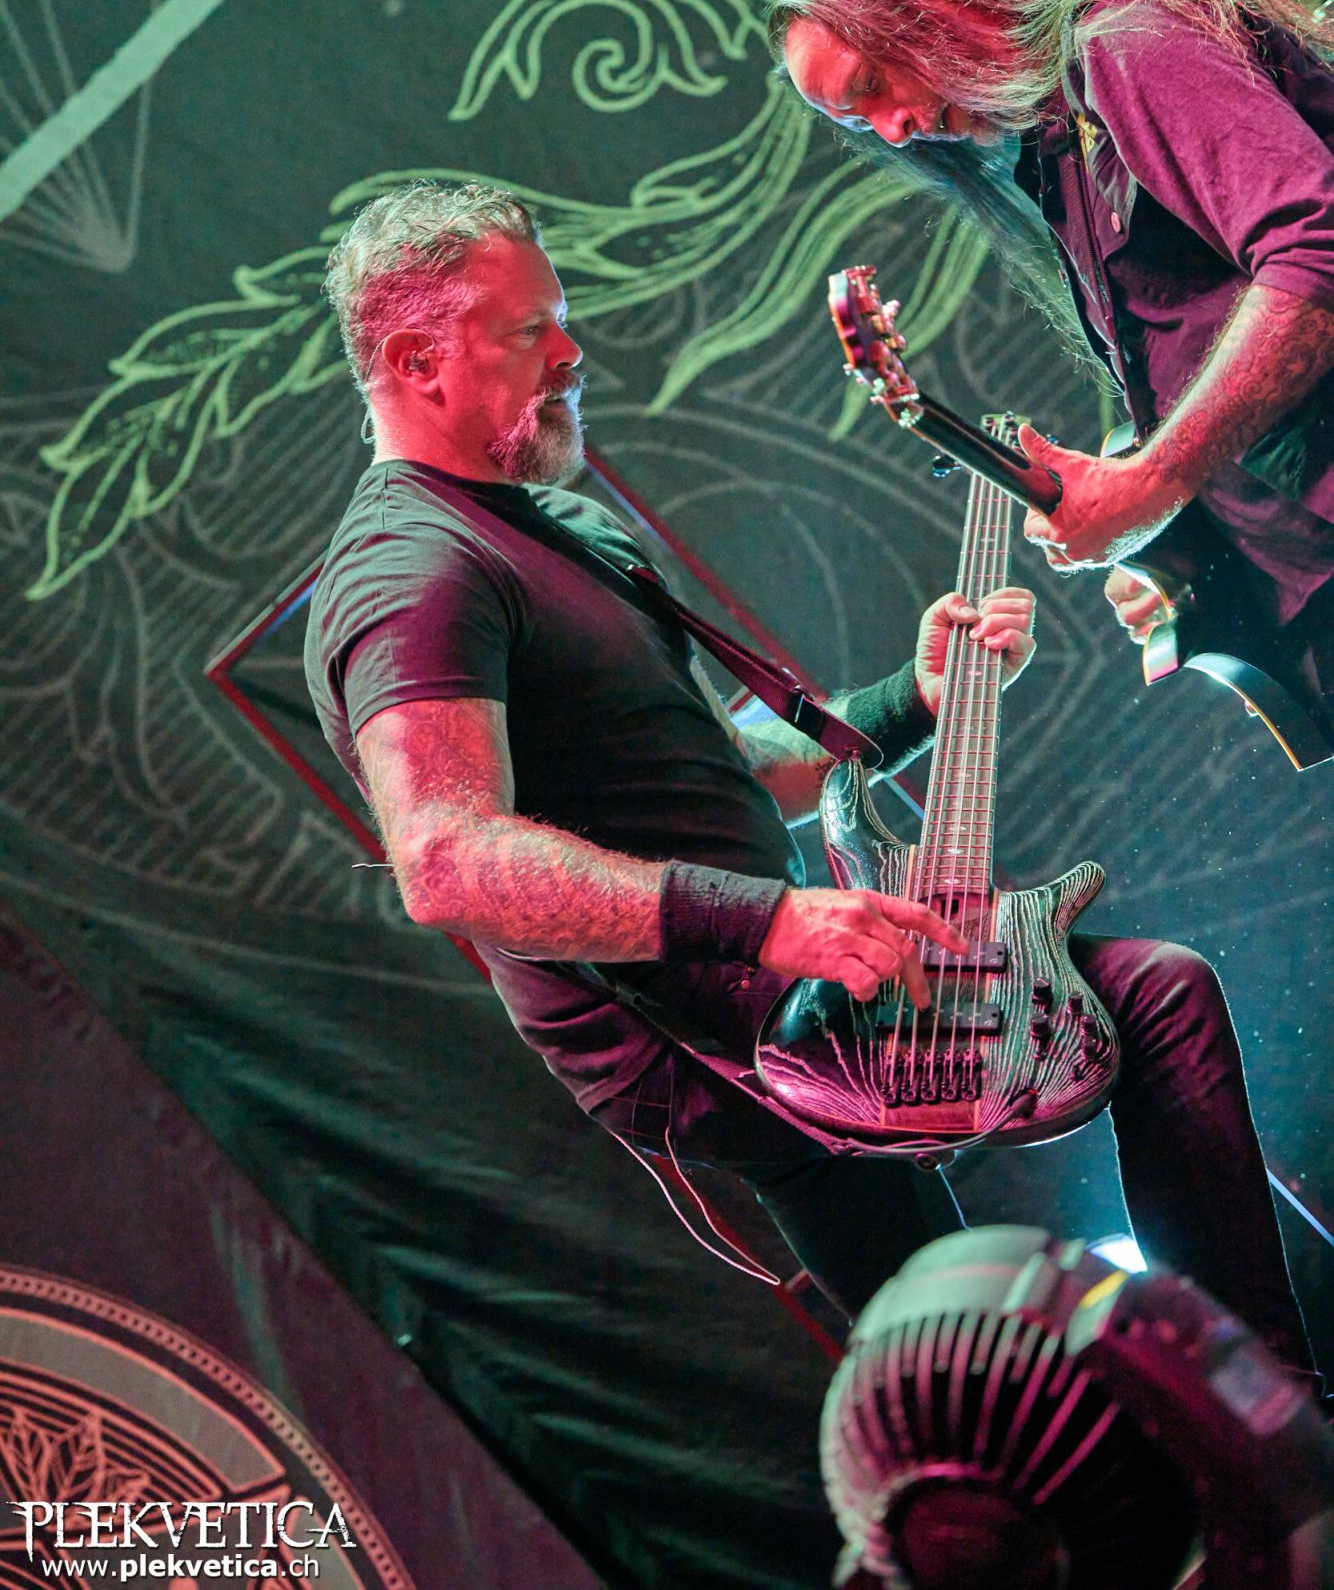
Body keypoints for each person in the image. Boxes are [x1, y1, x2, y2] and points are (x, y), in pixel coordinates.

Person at [303, 177, 1313, 1371]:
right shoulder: (408, 568)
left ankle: (1255, 1401)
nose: (572, 353)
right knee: (980, 1341)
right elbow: (446, 860)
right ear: (416, 360)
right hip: (704, 1030)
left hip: (786, 969)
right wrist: (769, 919)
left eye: (560, 317)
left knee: (1142, 1019)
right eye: (531, 331)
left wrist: (914, 696)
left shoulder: (562, 527)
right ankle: (1245, 1419)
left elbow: (731, 766)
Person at [768, 0, 1334, 716]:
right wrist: (1177, 545)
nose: (896, 131)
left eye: (873, 85)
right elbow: (1215, 340)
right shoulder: (1058, 142)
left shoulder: (1126, 42)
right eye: (861, 123)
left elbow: (1315, 251)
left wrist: (1154, 484)